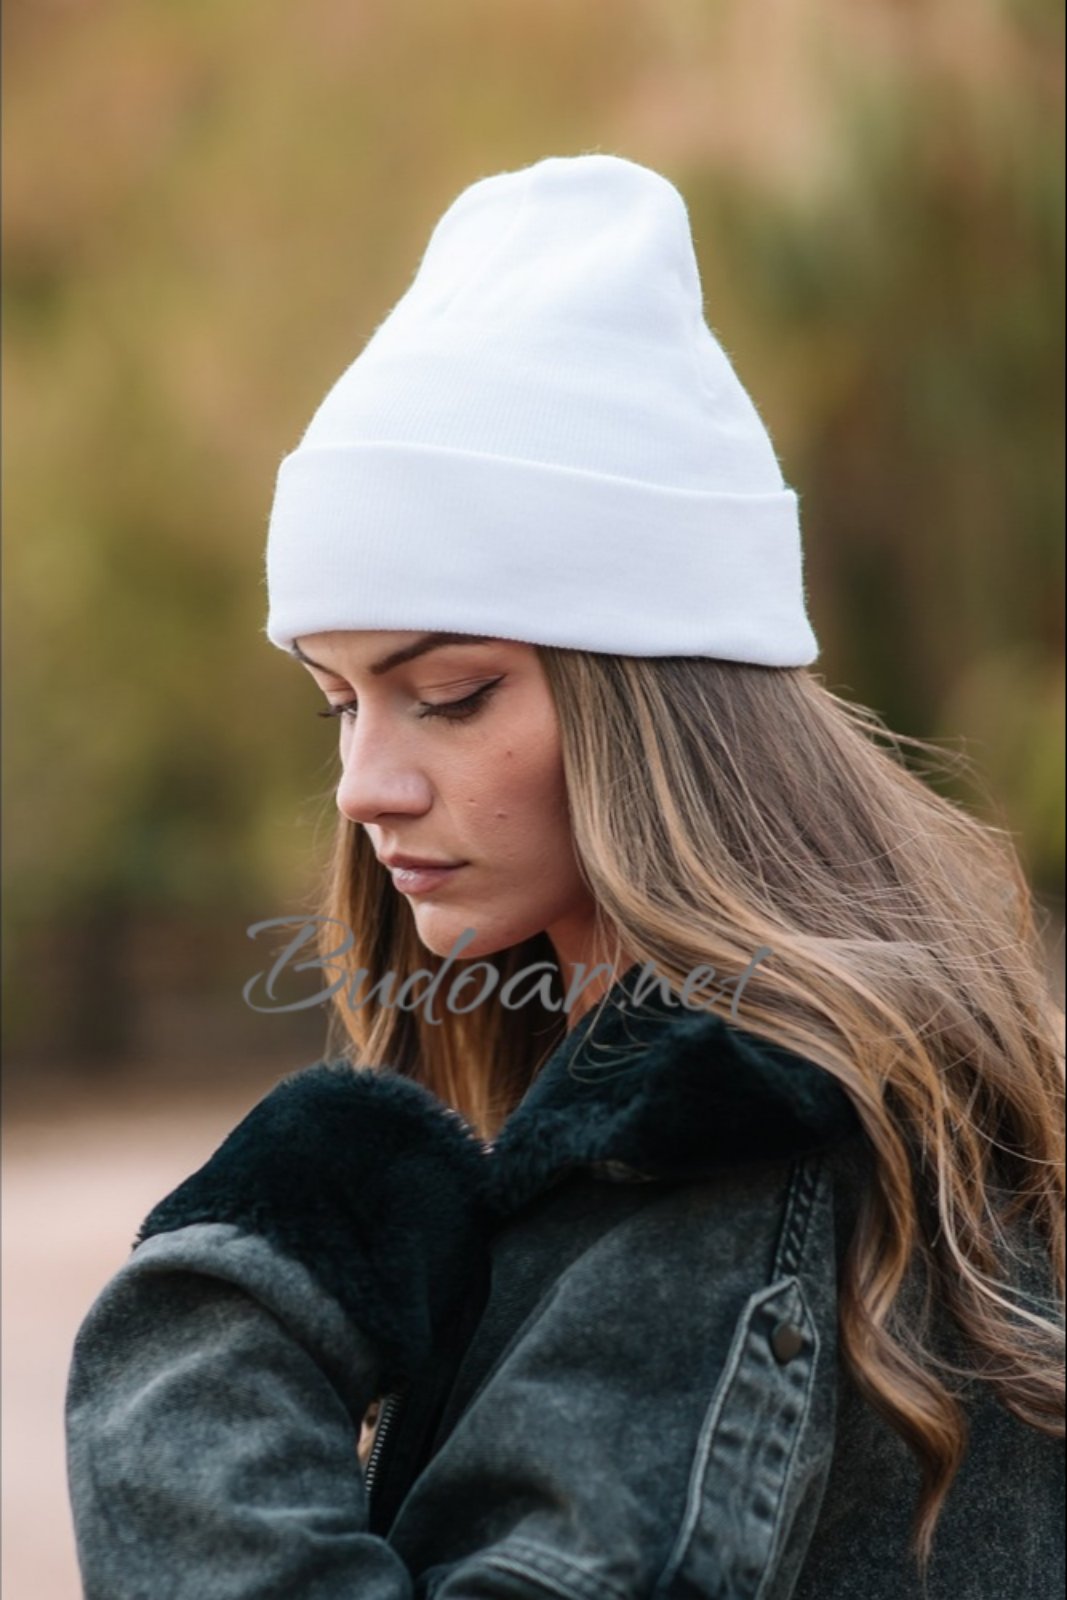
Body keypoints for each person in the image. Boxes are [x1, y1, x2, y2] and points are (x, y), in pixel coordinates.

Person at [65, 153, 1063, 1599]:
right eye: (340, 701)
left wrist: (223, 1317)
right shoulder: (843, 1092)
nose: (362, 785)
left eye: (449, 695)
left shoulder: (729, 1117)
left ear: (655, 703)